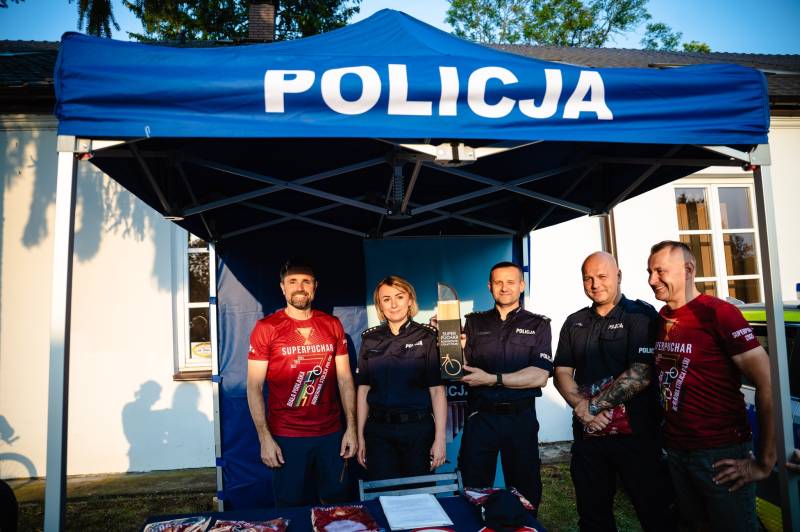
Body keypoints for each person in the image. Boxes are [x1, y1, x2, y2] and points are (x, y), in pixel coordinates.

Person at [647, 240, 776, 531]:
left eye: (660, 271)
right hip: (677, 451)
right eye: (649, 272)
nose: (652, 280)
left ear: (688, 269)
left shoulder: (719, 313)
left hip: (720, 454)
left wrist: (765, 462)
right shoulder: (662, 318)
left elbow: (768, 381)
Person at [553, 251, 672, 532]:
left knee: (655, 514)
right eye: (588, 278)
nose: (595, 284)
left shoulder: (640, 316)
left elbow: (641, 373)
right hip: (589, 438)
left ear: (618, 276)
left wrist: (592, 407)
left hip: (637, 439)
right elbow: (561, 373)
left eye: (602, 276)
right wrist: (582, 409)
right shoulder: (574, 322)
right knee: (593, 517)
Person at [246, 259, 357, 507]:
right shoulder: (266, 328)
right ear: (282, 287)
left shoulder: (332, 324)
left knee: (337, 507)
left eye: (306, 281)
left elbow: (345, 379)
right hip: (286, 436)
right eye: (293, 281)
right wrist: (264, 439)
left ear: (315, 287)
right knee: (290, 507)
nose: (300, 287)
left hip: (331, 434)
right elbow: (254, 387)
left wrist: (350, 428)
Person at [458, 261, 552, 513]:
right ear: (489, 286)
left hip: (520, 418)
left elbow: (539, 376)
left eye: (511, 282)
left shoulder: (538, 325)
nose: (504, 287)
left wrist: (493, 379)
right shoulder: (474, 323)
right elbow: (462, 370)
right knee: (472, 489)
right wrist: (450, 345)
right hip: (481, 417)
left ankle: (525, 526)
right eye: (498, 282)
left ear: (521, 285)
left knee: (525, 491)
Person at [355, 276, 447, 480]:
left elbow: (437, 390)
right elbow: (363, 390)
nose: (394, 304)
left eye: (399, 297)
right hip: (379, 432)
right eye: (386, 299)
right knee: (384, 493)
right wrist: (360, 437)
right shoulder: (369, 339)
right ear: (380, 305)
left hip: (418, 431)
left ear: (410, 300)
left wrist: (440, 438)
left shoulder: (428, 336)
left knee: (419, 494)